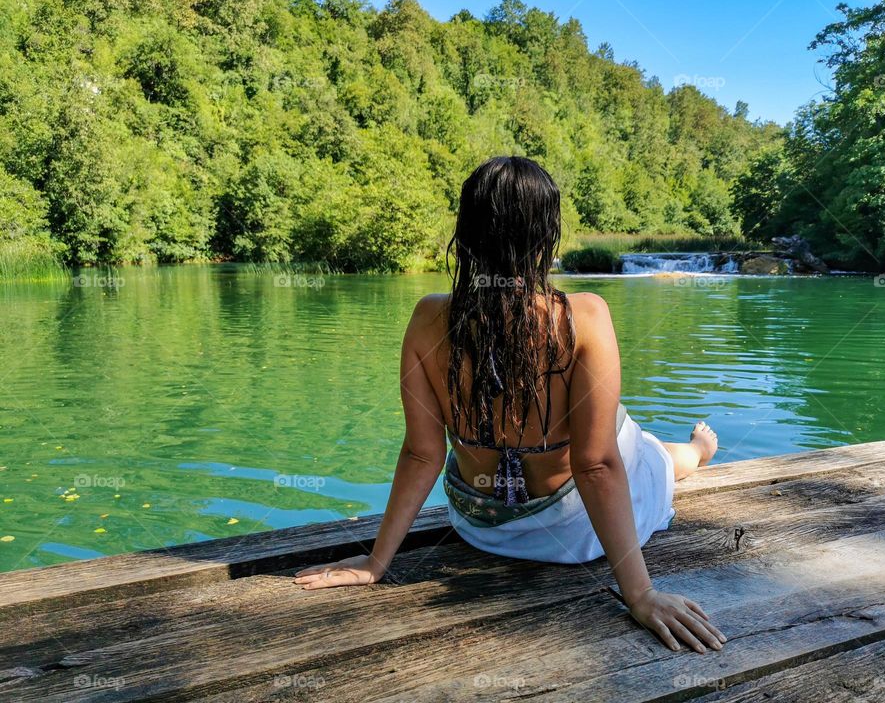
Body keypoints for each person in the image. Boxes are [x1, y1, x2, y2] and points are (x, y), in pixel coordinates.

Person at [295, 156, 725, 654]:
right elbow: (597, 465)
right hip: (578, 535)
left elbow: (422, 454)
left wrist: (376, 563)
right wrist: (641, 593)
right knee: (640, 446)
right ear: (546, 236)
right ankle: (694, 451)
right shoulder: (584, 315)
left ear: (468, 234)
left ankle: (681, 451)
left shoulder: (428, 317)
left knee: (626, 438)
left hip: (483, 526)